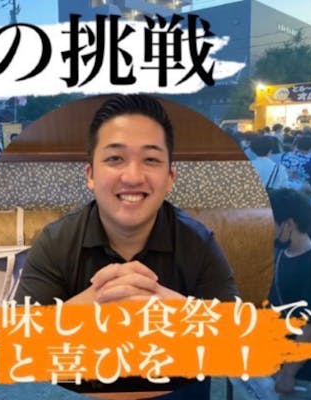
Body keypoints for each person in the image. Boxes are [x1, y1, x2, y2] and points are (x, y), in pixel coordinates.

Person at [14, 94, 239, 397]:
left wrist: (182, 314)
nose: (133, 177)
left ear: (169, 178)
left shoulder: (199, 243)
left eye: (151, 160)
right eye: (115, 159)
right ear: (91, 175)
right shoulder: (56, 242)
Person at [268, 189, 311, 395]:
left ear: (288, 224)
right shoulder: (279, 253)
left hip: (301, 373)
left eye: (271, 223)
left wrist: (288, 372)